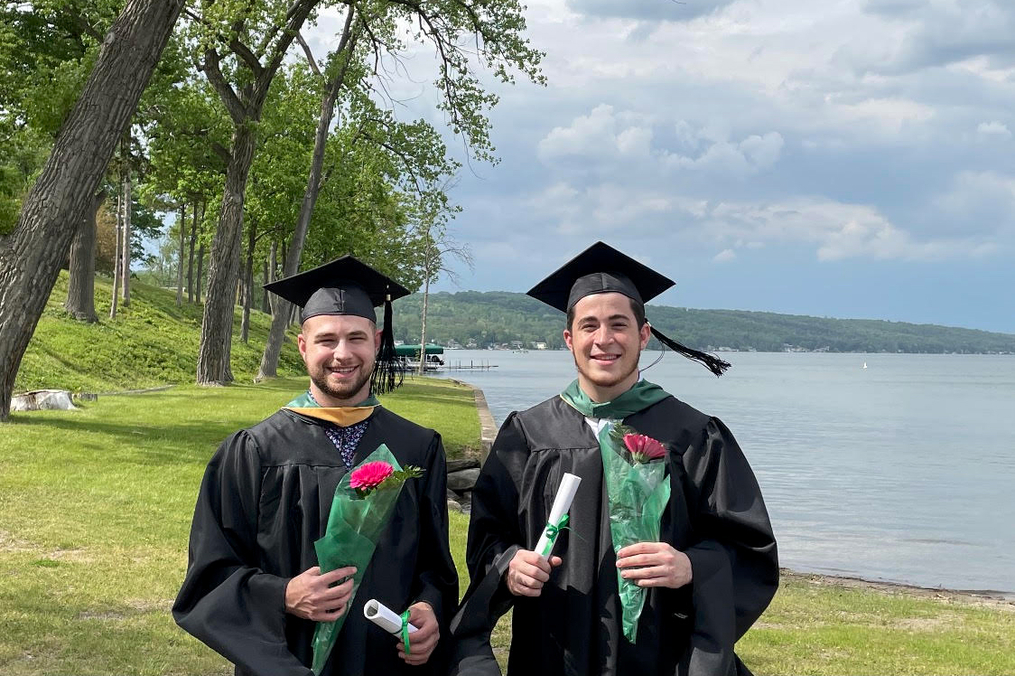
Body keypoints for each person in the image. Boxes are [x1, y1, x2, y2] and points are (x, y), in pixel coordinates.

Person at [451, 242, 778, 676]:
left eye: (618, 325)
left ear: (644, 334)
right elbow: (489, 538)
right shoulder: (528, 434)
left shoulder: (694, 435)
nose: (603, 340)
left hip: (660, 657)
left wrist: (690, 567)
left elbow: (748, 550)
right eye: (589, 326)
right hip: (551, 652)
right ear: (569, 339)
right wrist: (510, 564)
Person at [173, 255, 458, 676]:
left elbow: (435, 568)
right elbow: (209, 578)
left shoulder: (416, 447)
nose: (342, 354)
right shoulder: (254, 451)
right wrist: (282, 595)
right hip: (288, 660)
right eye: (327, 340)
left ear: (376, 342)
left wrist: (429, 609)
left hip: (387, 663)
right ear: (303, 346)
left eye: (356, 338)